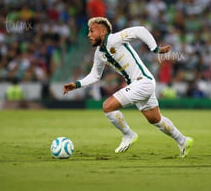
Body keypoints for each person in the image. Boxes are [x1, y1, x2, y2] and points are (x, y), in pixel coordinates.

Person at [63, 17, 193, 157]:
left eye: (91, 31)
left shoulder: (114, 39)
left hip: (142, 82)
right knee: (154, 119)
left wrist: (155, 49)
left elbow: (140, 30)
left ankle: (128, 135)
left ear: (102, 31)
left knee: (107, 106)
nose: (88, 35)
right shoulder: (99, 53)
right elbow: (95, 75)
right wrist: (76, 84)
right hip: (140, 84)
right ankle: (183, 140)